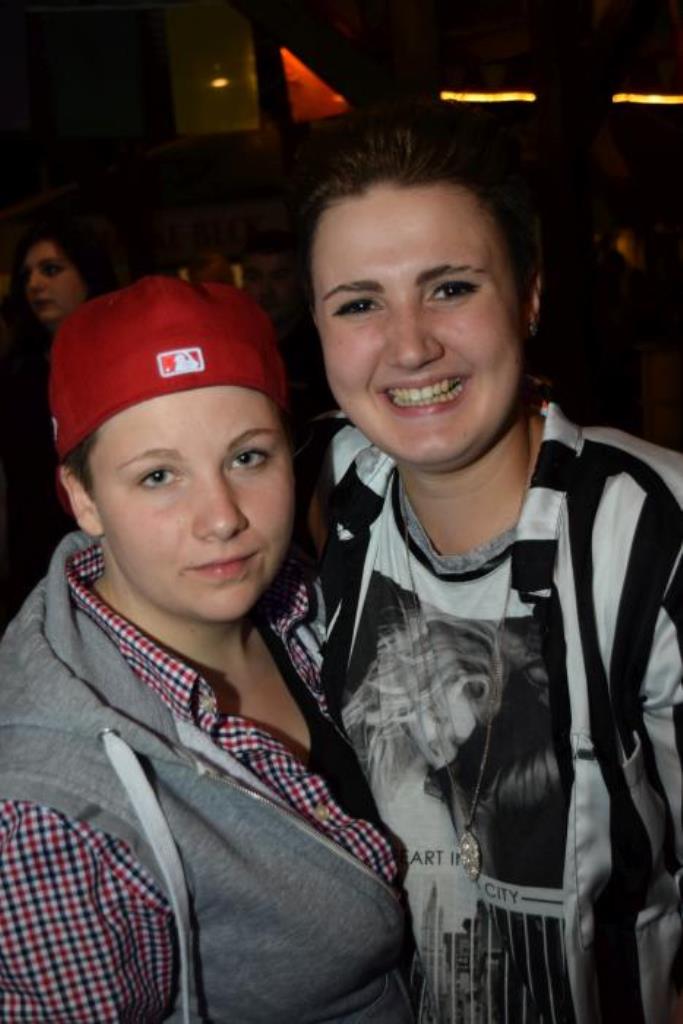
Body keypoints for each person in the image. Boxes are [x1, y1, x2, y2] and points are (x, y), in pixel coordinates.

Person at [291, 99, 683, 1023]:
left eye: (451, 288)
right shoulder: (316, 491)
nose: (410, 344)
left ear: (529, 294)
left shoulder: (654, 532)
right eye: (359, 303)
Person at [0, 277, 413, 1022]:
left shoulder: (307, 597)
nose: (221, 518)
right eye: (158, 476)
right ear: (83, 497)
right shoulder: (46, 805)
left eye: (248, 458)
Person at [0, 215, 119, 625]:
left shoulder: (121, 364)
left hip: (110, 550)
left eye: (51, 269)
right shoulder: (18, 372)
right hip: (32, 557)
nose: (35, 284)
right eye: (27, 275)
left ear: (88, 274)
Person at [241, 229, 333, 442]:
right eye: (254, 277)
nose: (266, 291)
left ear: (303, 281)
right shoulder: (236, 349)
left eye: (279, 276)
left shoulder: (327, 348)